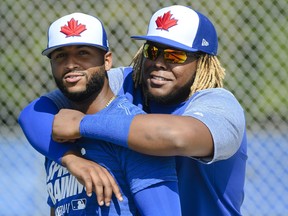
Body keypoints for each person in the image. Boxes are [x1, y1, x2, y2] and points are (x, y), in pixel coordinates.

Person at [19, 5, 247, 216]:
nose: (159, 62)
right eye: (153, 50)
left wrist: (81, 124)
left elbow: (173, 137)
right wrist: (69, 158)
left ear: (203, 62)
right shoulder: (129, 82)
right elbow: (34, 113)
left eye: (175, 55)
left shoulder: (220, 105)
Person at [18, 12, 182, 216]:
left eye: (83, 53)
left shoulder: (134, 131)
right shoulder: (57, 134)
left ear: (107, 61)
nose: (71, 65)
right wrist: (72, 159)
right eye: (60, 56)